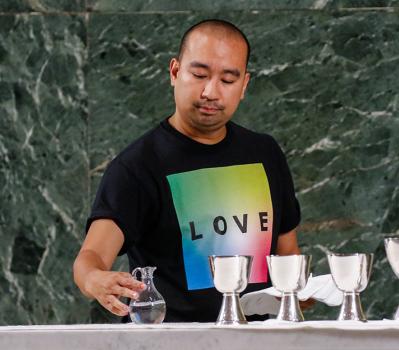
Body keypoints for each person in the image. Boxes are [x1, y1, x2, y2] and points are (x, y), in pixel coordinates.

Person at [73, 19, 304, 322]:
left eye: (228, 80)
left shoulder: (264, 154)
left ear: (244, 85)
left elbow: (288, 252)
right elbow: (90, 258)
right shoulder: (137, 166)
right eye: (199, 74)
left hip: (259, 339)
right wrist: (94, 280)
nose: (211, 91)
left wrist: (302, 292)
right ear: (175, 72)